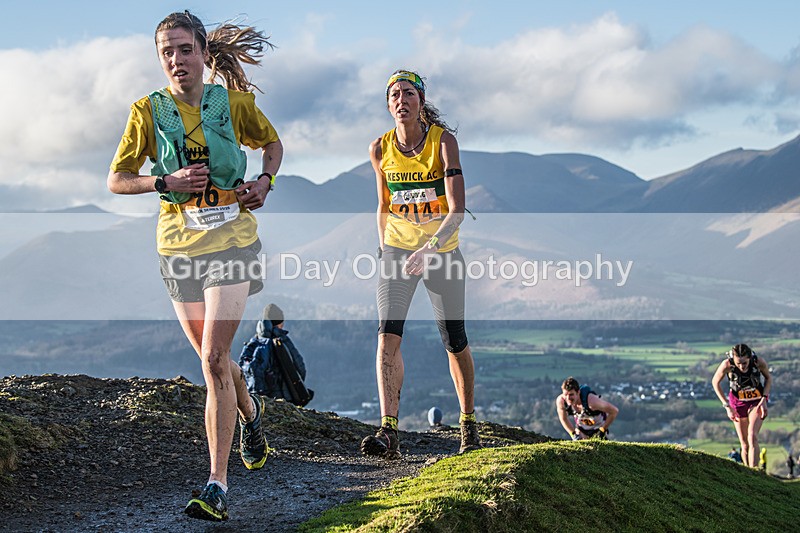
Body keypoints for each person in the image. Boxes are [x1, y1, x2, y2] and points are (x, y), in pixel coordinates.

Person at [107, 11, 283, 521]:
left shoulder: (231, 104)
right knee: (217, 363)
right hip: (177, 245)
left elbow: (271, 144)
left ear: (204, 53)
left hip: (231, 239)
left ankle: (217, 485)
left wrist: (265, 181)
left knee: (212, 359)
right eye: (167, 51)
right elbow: (118, 179)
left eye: (185, 49)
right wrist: (167, 182)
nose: (176, 60)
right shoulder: (147, 111)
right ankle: (252, 414)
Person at [360, 70, 481, 458]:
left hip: (441, 252)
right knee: (386, 339)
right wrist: (384, 251)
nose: (401, 100)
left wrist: (430, 247)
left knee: (454, 341)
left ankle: (467, 423)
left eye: (408, 93)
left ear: (421, 100)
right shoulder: (379, 148)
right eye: (394, 95)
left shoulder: (443, 143)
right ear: (388, 104)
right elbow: (382, 205)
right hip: (397, 250)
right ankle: (388, 430)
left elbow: (458, 210)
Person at [712, 343, 772, 469]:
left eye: (744, 363)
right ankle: (747, 472)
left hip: (756, 401)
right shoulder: (727, 365)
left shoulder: (758, 362)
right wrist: (727, 406)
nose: (741, 366)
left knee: (752, 436)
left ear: (749, 358)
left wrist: (764, 399)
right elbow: (715, 382)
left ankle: (754, 471)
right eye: (738, 363)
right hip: (737, 403)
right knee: (744, 444)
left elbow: (768, 379)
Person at [254, 303, 311, 404]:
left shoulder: (256, 340)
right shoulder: (281, 340)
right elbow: (300, 366)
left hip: (258, 396)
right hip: (282, 395)